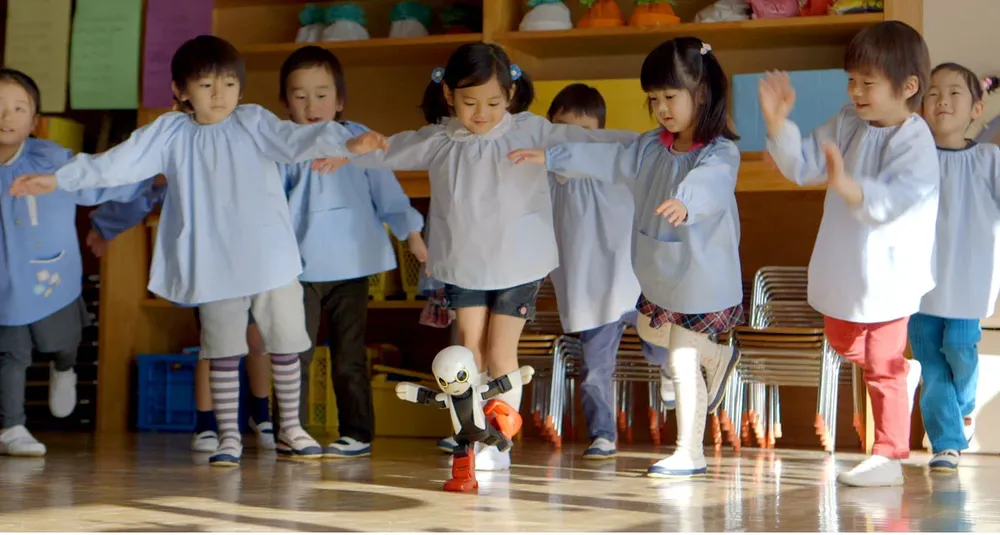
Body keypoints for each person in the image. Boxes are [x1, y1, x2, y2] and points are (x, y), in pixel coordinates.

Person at [8, 35, 387, 467]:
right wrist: (57, 179)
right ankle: (228, 436)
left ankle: (291, 428)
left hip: (270, 258)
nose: (220, 94)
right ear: (180, 91)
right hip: (213, 264)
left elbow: (296, 140)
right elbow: (114, 164)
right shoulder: (169, 134)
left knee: (285, 343)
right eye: (206, 86)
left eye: (228, 84)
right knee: (222, 350)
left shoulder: (254, 122)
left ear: (240, 88)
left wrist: (345, 143)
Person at [338, 43, 635, 471]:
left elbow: (588, 141)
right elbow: (388, 149)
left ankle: (498, 439)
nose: (482, 113)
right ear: (449, 97)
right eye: (469, 102)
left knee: (500, 354)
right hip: (465, 264)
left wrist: (657, 142)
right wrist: (357, 145)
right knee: (468, 352)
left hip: (519, 262)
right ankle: (470, 433)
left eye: (493, 102)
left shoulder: (531, 130)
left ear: (510, 96)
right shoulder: (440, 138)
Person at [509, 37, 743, 477]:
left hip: (701, 275)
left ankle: (689, 451)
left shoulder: (719, 152)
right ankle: (718, 358)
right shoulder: (650, 147)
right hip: (658, 273)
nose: (661, 108)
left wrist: (686, 201)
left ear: (703, 92)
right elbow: (607, 158)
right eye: (654, 99)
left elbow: (713, 182)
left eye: (670, 97)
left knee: (680, 358)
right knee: (660, 339)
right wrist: (553, 155)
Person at [761, 20, 937, 487]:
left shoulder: (916, 139)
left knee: (881, 363)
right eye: (851, 80)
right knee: (842, 340)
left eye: (867, 82)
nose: (856, 91)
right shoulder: (846, 121)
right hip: (845, 266)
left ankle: (889, 454)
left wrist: (849, 186)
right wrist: (779, 126)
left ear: (908, 87)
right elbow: (804, 163)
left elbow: (900, 199)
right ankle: (900, 372)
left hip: (891, 271)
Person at [278, 46, 427, 458]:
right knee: (294, 354)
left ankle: (357, 432)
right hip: (296, 268)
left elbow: (389, 197)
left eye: (322, 94)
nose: (312, 105)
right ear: (286, 102)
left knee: (349, 355)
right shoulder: (283, 145)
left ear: (340, 100)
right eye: (300, 95)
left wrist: (412, 234)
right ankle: (293, 430)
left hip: (351, 268)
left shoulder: (359, 139)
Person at [0, 68, 150, 456]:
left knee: (64, 341)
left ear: (34, 121)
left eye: (18, 108)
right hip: (3, 284)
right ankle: (12, 426)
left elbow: (99, 181)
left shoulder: (50, 159)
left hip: (49, 274)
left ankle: (64, 369)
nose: (6, 116)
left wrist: (145, 183)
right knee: (11, 353)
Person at [87, 177, 277, 452]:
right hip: (208, 268)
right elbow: (145, 192)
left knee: (256, 338)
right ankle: (206, 423)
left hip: (249, 262)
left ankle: (261, 415)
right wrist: (103, 227)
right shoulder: (182, 165)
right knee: (212, 343)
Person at [545, 83, 671, 460]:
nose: (573, 143)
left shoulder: (620, 157)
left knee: (659, 345)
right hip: (590, 287)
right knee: (596, 369)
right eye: (562, 131)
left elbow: (634, 145)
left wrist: (583, 144)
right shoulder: (553, 173)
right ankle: (602, 433)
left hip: (633, 277)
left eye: (582, 133)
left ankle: (672, 372)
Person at [909, 63, 1000, 471]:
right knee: (930, 360)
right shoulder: (911, 157)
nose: (942, 99)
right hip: (915, 283)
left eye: (954, 93)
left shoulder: (989, 159)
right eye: (932, 92)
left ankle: (962, 406)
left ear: (976, 109)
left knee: (961, 348)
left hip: (968, 281)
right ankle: (947, 442)